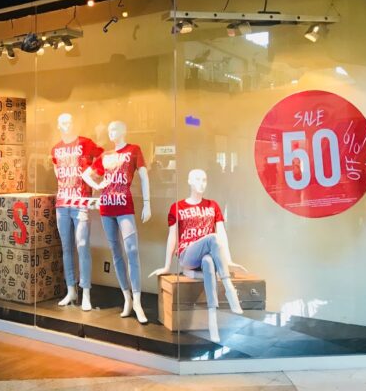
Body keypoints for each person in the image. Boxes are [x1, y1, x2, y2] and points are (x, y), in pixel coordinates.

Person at [150, 169, 245, 342]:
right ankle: (229, 288)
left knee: (208, 261)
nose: (201, 183)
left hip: (205, 257)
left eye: (204, 179)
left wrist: (229, 259)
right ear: (189, 181)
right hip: (187, 254)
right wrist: (167, 265)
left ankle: (212, 321)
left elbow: (222, 234)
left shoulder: (212, 205)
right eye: (197, 179)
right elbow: (172, 236)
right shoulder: (178, 207)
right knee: (212, 238)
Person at [83, 120, 151, 324]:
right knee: (116, 252)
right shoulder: (105, 155)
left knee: (132, 250)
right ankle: (127, 298)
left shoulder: (133, 150)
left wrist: (147, 203)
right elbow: (86, 174)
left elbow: (144, 176)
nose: (111, 132)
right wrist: (97, 185)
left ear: (124, 130)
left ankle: (137, 301)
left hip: (124, 206)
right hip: (106, 206)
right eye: (109, 130)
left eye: (114, 129)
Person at [51, 113, 103, 311]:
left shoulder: (86, 143)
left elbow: (103, 158)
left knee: (82, 246)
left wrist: (95, 180)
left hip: (81, 201)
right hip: (63, 202)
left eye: (70, 122)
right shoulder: (55, 149)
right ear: (58, 125)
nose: (67, 125)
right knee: (67, 247)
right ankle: (71, 290)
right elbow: (57, 173)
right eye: (63, 122)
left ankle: (86, 292)